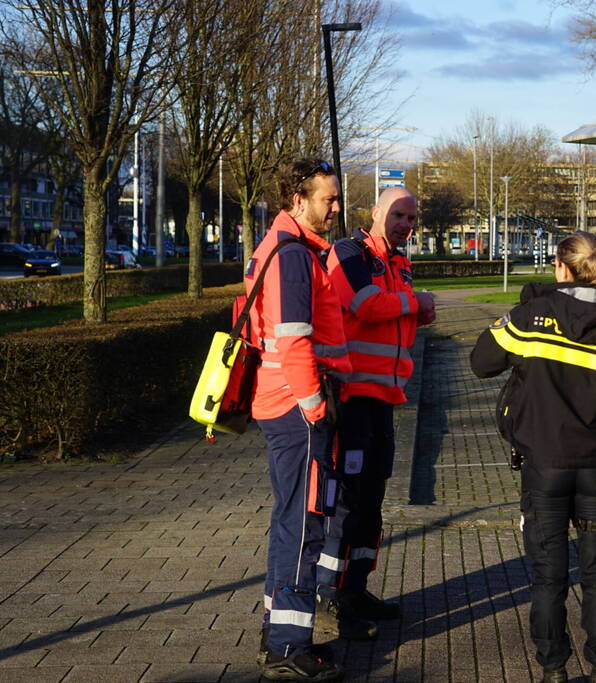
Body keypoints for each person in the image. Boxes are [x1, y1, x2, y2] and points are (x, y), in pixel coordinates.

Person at [469, 231, 596, 683]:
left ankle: (553, 668)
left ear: (561, 269)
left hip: (545, 468)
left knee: (548, 576)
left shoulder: (532, 316)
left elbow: (482, 361)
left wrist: (521, 309)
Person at [315, 187, 436, 638]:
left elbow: (392, 312)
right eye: (398, 215)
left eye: (411, 217)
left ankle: (356, 589)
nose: (406, 224)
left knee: (371, 503)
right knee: (346, 502)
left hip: (385, 400)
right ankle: (331, 596)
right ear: (376, 212)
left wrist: (417, 313)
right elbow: (363, 304)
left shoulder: (399, 262)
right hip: (352, 401)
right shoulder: (350, 252)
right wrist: (414, 302)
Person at [247, 158, 350, 681]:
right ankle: (289, 648)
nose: (336, 207)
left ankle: (280, 631)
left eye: (336, 197)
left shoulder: (290, 248)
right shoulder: (293, 256)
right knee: (304, 521)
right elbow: (292, 338)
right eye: (327, 199)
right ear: (297, 200)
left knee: (294, 516)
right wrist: (315, 404)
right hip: (298, 407)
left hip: (288, 405)